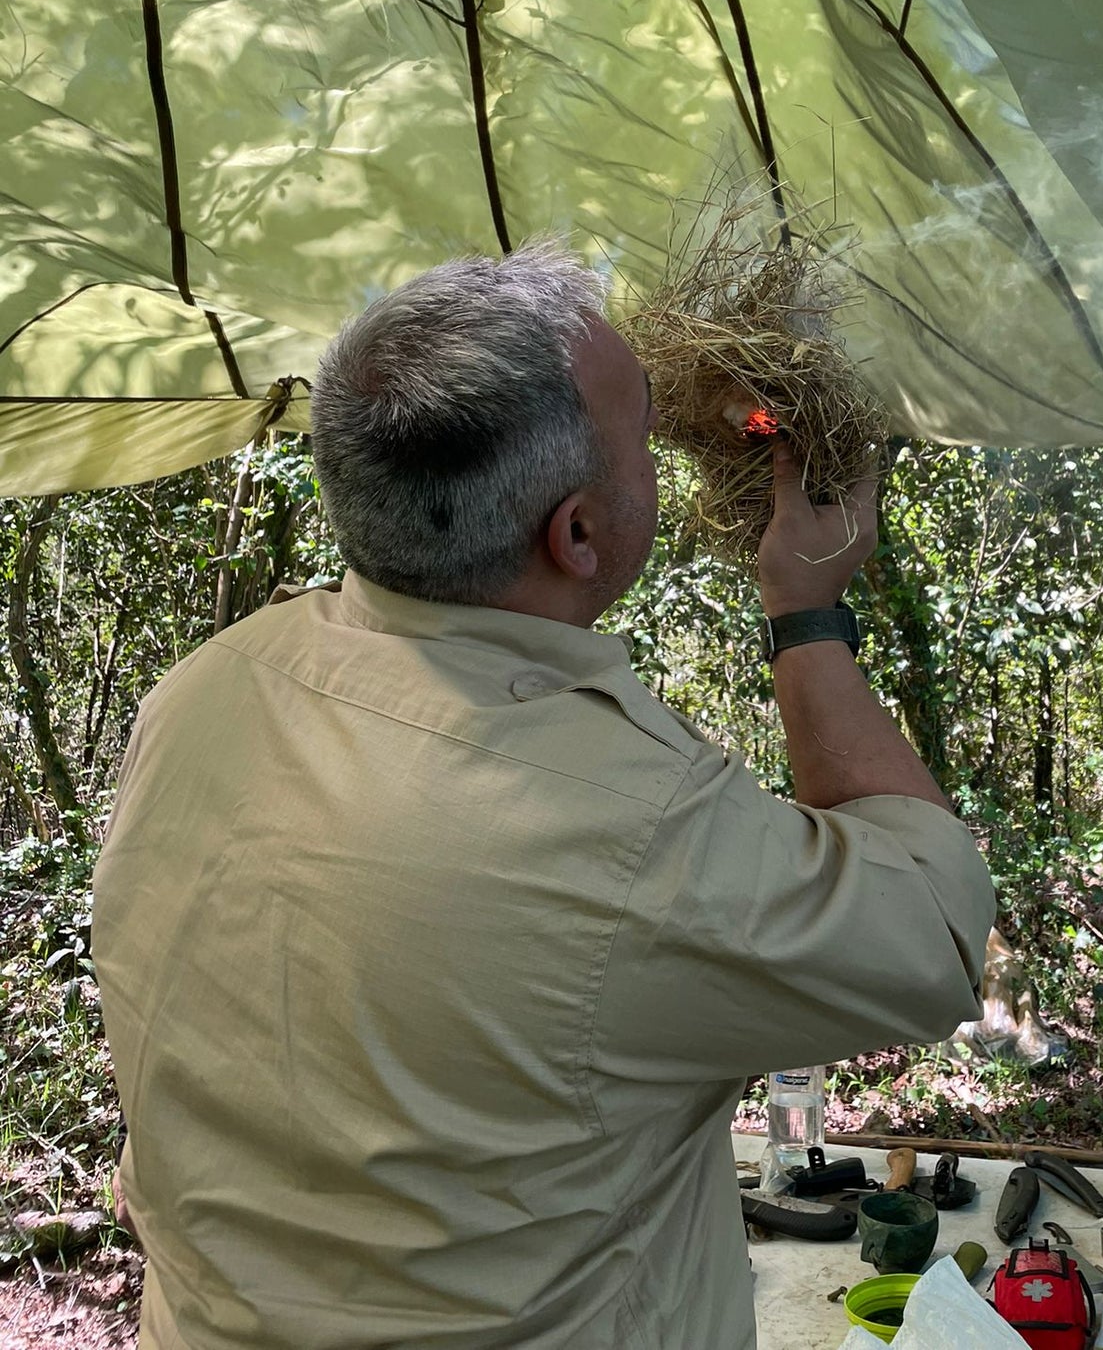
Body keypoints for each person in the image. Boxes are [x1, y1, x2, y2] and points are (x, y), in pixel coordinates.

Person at [92, 247, 994, 1350]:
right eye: (645, 431)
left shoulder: (200, 694)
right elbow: (935, 925)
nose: (666, 442)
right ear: (575, 535)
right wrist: (804, 609)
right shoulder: (619, 817)